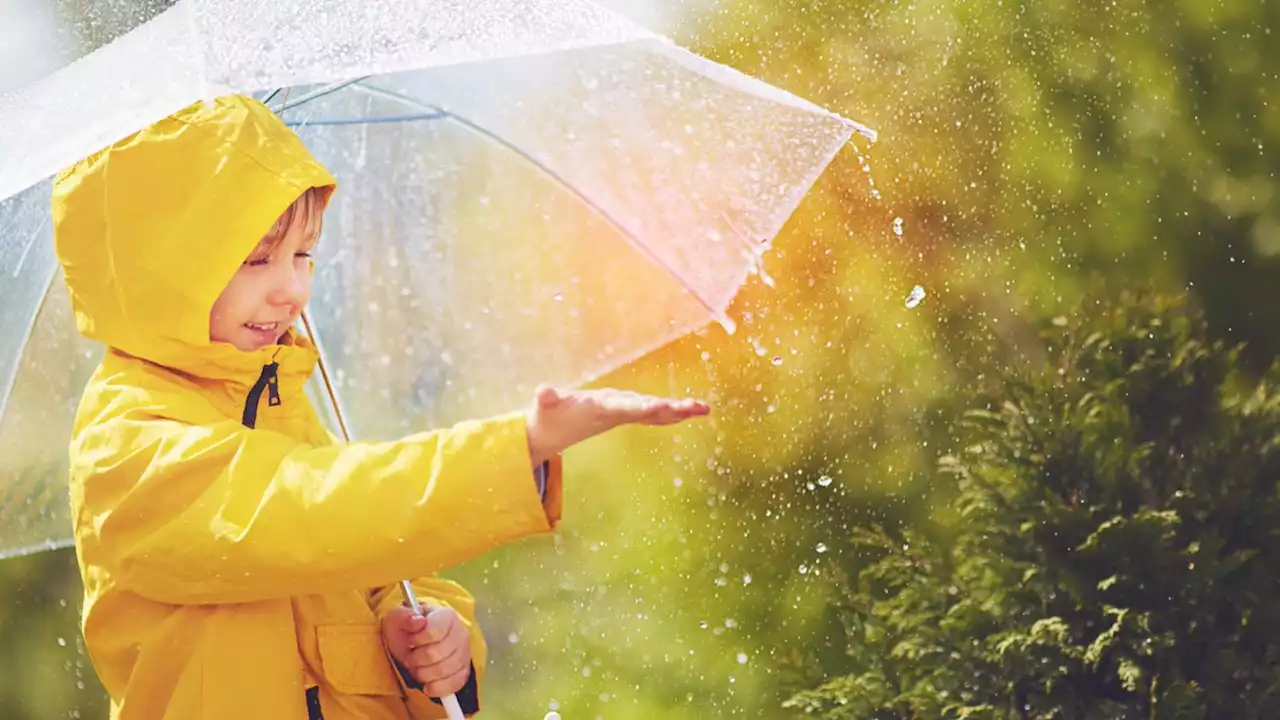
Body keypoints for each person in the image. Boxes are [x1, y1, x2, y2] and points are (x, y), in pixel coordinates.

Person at [53, 94, 709, 719]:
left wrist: (434, 643)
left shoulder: (283, 398)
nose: (293, 290)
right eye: (256, 260)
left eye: (303, 254)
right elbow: (315, 510)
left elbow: (374, 573)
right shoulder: (128, 440)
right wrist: (519, 445)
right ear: (161, 276)